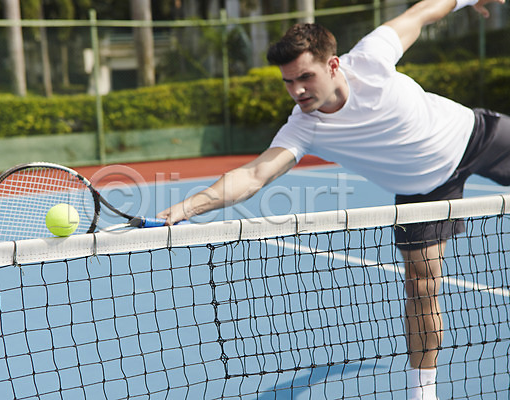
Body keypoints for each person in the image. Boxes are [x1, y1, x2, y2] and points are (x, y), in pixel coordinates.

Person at [157, 0, 508, 398]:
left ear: (334, 65)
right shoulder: (304, 126)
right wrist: (189, 207)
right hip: (423, 192)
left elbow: (422, 13)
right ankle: (422, 392)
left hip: (476, 135)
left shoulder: (372, 58)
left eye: (305, 76)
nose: (297, 90)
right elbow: (255, 175)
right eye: (288, 82)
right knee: (421, 287)